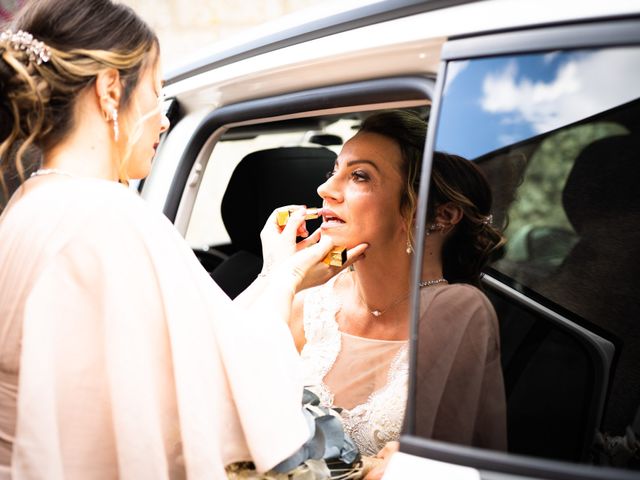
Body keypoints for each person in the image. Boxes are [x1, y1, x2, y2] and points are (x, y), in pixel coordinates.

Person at [0, 0, 366, 478]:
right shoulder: (109, 217)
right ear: (111, 90)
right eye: (157, 92)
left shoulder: (28, 208)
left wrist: (282, 272)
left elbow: (195, 352)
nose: (164, 119)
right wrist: (289, 275)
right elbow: (235, 386)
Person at [287, 110, 507, 478]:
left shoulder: (460, 310)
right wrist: (281, 276)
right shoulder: (308, 301)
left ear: (441, 215)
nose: (325, 189)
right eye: (334, 171)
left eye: (359, 175)